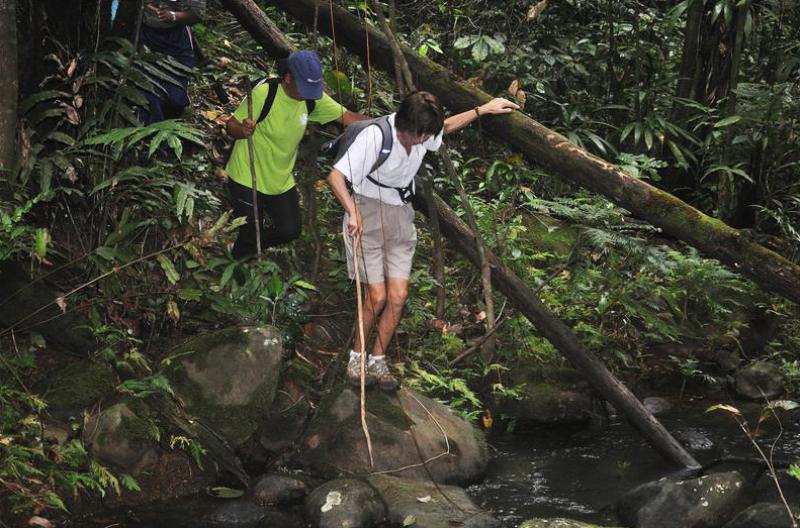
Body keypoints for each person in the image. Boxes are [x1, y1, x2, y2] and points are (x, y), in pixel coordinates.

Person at [326, 91, 519, 391]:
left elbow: (448, 126)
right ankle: (356, 357)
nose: (421, 143)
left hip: (401, 217)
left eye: (426, 136)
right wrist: (351, 213)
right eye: (417, 137)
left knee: (398, 296)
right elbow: (336, 177)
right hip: (366, 212)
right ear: (404, 125)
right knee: (376, 297)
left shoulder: (422, 131)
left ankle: (378, 360)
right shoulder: (376, 137)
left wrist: (484, 109)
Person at [225, 50, 364, 259]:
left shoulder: (311, 99)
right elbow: (231, 126)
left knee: (289, 230)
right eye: (304, 86)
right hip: (246, 174)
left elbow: (349, 118)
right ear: (288, 78)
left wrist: (391, 127)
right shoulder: (265, 94)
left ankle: (243, 249)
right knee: (250, 232)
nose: (309, 93)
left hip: (280, 179)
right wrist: (243, 130)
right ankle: (237, 260)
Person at [139, 0, 206, 124]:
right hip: (145, 34)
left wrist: (174, 16)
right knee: (149, 93)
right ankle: (154, 137)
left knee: (176, 98)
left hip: (177, 37)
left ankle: (171, 129)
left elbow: (197, 13)